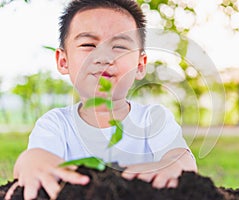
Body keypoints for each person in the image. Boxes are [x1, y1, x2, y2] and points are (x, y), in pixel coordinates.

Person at [5, 0, 197, 199]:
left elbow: (181, 158)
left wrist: (175, 166)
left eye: (120, 46)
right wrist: (30, 160)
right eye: (88, 44)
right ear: (63, 61)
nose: (104, 57)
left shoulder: (153, 119)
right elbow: (33, 160)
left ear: (140, 65)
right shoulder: (55, 124)